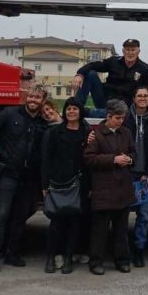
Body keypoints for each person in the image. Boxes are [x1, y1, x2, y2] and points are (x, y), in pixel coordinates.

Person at [0, 85, 49, 273]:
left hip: (29, 178)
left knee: (19, 218)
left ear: (43, 101)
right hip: (8, 174)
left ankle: (12, 253)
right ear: (27, 96)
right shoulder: (9, 113)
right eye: (31, 96)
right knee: (1, 215)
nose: (33, 100)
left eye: (38, 98)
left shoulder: (43, 122)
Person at [83, 99, 137, 275]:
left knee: (121, 229)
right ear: (108, 116)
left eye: (122, 118)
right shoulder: (96, 134)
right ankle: (96, 262)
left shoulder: (126, 133)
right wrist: (113, 160)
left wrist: (129, 159)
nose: (121, 121)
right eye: (117, 118)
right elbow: (89, 159)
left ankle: (122, 260)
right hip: (103, 189)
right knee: (99, 230)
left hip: (123, 189)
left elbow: (134, 152)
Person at [41, 97, 90, 275]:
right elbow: (46, 159)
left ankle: (68, 258)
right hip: (58, 183)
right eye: (68, 109)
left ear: (80, 111)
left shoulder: (86, 132)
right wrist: (45, 184)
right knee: (56, 223)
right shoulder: (54, 132)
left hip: (79, 184)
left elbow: (89, 160)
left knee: (74, 223)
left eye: (75, 109)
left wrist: (89, 185)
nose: (71, 112)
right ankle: (51, 257)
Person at [123, 86, 148, 268]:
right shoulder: (124, 117)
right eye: (139, 95)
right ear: (134, 98)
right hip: (126, 174)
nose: (143, 98)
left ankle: (139, 249)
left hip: (144, 176)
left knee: (143, 215)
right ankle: (123, 250)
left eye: (146, 96)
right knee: (122, 215)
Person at [71, 38, 148, 117]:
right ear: (123, 51)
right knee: (90, 74)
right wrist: (79, 75)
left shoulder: (144, 69)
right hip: (105, 100)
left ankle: (86, 112)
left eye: (133, 50)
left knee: (118, 114)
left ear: (138, 51)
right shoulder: (113, 61)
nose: (130, 53)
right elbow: (93, 65)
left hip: (125, 106)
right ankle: (76, 107)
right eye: (127, 50)